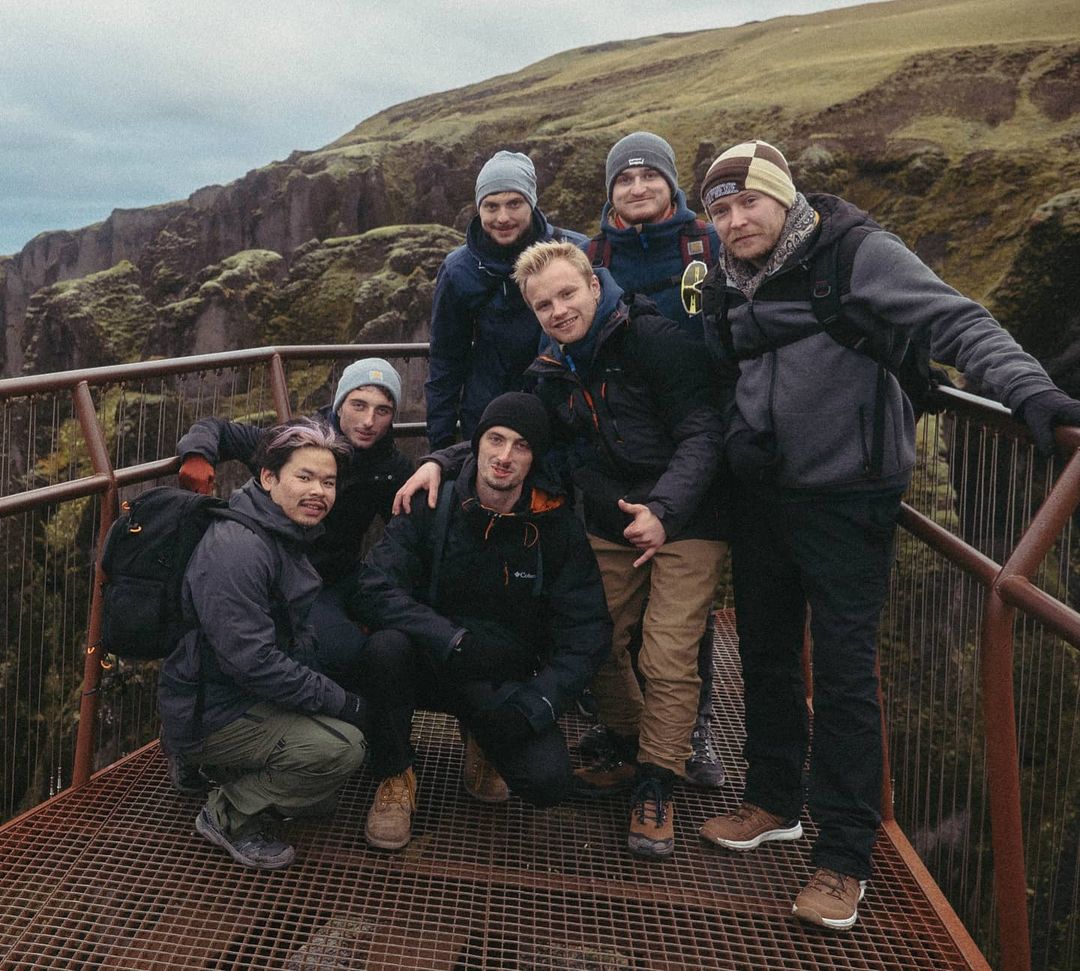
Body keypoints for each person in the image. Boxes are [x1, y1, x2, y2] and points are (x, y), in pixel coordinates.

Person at [694, 139, 1080, 930]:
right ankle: (773, 800)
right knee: (768, 649)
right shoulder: (732, 278)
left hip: (846, 498)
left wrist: (1034, 392)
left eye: (748, 203)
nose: (735, 220)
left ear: (784, 198)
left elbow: (958, 320)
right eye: (721, 210)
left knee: (840, 672)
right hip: (765, 493)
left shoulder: (858, 254)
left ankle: (843, 857)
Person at [398, 243, 726, 860]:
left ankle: (657, 786)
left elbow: (702, 431)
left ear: (595, 285)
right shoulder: (550, 368)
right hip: (610, 520)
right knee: (593, 637)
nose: (558, 310)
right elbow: (511, 430)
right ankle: (635, 748)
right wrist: (439, 461)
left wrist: (665, 510)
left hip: (689, 516)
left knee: (667, 652)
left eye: (567, 295)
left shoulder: (653, 340)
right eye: (543, 304)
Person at [349, 393, 612, 851]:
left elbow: (587, 631)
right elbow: (373, 586)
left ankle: (485, 740)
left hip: (500, 677)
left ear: (536, 457)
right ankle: (395, 774)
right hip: (431, 658)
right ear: (477, 444)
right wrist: (447, 638)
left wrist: (537, 705)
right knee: (384, 650)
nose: (505, 457)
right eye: (495, 439)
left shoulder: (556, 526)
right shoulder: (432, 503)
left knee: (547, 782)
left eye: (521, 446)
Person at [578, 131, 726, 789]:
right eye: (624, 181)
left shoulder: (708, 246)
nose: (637, 189)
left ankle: (690, 736)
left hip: (700, 441)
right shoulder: (594, 257)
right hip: (622, 448)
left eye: (649, 178)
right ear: (610, 192)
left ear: (671, 184)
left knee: (682, 619)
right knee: (614, 619)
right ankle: (632, 733)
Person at [158, 418, 370, 870]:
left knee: (325, 784)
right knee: (341, 749)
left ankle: (212, 766)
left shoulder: (277, 527)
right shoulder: (240, 549)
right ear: (269, 478)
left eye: (328, 482)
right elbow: (252, 662)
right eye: (305, 477)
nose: (319, 491)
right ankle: (226, 813)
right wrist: (340, 702)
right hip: (212, 709)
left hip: (220, 691)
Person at [176, 357, 413, 685]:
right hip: (296, 578)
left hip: (346, 575)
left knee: (405, 638)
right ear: (340, 404)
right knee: (345, 652)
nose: (368, 421)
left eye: (382, 411)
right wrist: (196, 455)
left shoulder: (391, 467)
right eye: (359, 405)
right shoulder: (297, 443)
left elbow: (407, 536)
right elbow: (219, 429)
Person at [424, 150, 586, 451]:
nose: (502, 217)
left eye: (514, 203)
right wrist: (440, 447)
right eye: (491, 206)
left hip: (568, 417)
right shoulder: (459, 270)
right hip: (490, 420)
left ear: (532, 203)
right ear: (478, 209)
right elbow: (445, 362)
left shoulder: (575, 252)